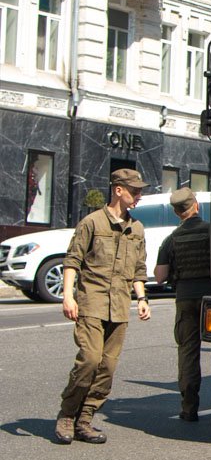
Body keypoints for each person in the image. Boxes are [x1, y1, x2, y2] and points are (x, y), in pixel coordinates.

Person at [54, 169, 154, 445]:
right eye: (134, 191)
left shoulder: (137, 228)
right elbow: (73, 260)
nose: (139, 196)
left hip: (120, 306)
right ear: (118, 190)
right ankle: (67, 414)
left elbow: (139, 268)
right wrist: (68, 295)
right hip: (92, 302)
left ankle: (84, 420)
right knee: (89, 360)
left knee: (107, 367)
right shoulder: (92, 223)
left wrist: (142, 299)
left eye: (140, 191)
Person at [155, 187, 211, 421]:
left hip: (185, 298)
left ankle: (188, 408)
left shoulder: (171, 239)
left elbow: (159, 276)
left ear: (176, 212)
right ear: (196, 205)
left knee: (188, 352)